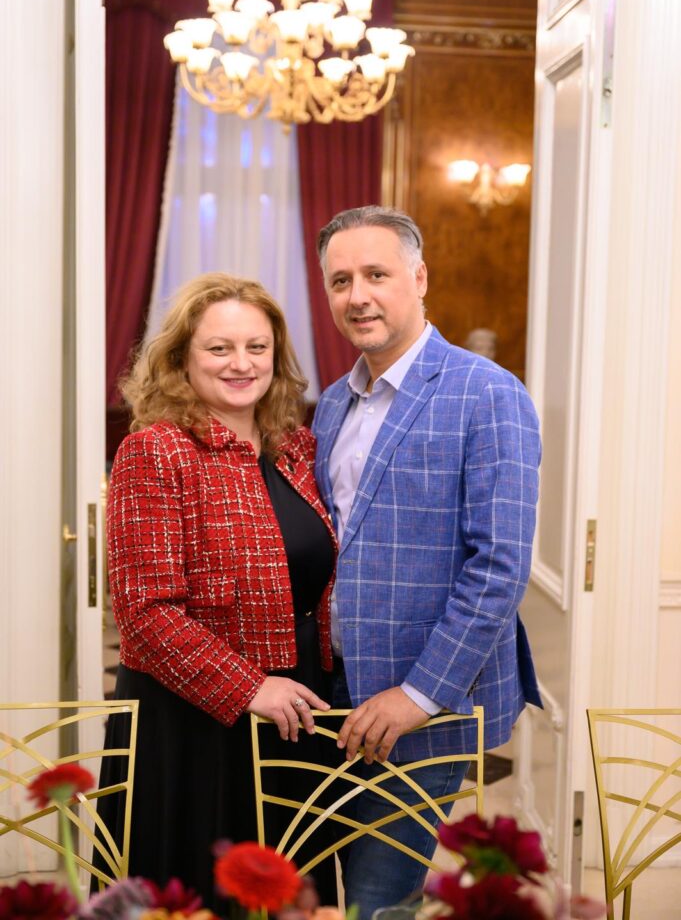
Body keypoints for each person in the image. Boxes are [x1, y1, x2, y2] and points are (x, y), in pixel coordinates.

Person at [311, 206, 542, 918]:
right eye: (340, 280)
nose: (357, 296)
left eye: (376, 275)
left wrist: (416, 696)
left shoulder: (488, 393)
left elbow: (498, 567)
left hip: (423, 703)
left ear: (419, 278)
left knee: (379, 898)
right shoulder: (332, 403)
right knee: (325, 885)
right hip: (329, 692)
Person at [98, 273, 337, 908]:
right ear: (182, 358)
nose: (241, 363)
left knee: (291, 895)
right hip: (193, 725)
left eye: (257, 347)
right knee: (199, 900)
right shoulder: (154, 452)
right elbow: (145, 612)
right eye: (219, 348)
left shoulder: (297, 448)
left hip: (298, 710)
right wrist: (250, 687)